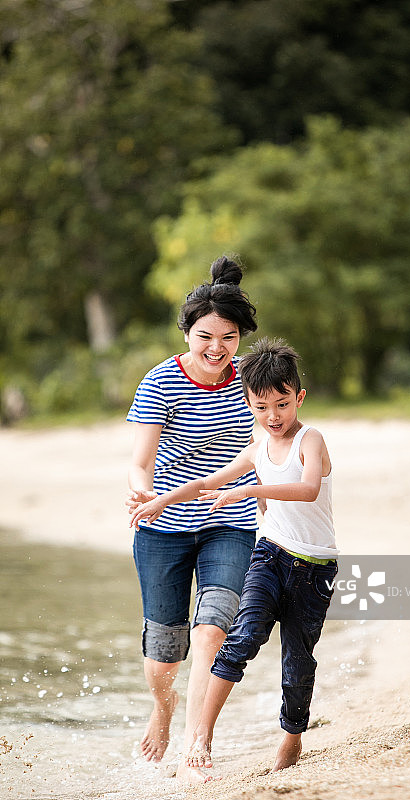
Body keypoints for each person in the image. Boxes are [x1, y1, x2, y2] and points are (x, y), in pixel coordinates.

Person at [130, 338, 338, 774]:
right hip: (270, 555)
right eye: (261, 408)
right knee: (236, 638)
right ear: (249, 404)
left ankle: (291, 736)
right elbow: (210, 481)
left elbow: (308, 489)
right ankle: (200, 737)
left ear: (299, 398)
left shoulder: (310, 440)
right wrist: (160, 501)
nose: (273, 417)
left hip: (315, 567)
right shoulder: (258, 447)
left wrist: (249, 490)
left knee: (297, 660)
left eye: (282, 405)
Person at [125, 256, 258, 783]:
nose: (217, 347)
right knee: (163, 659)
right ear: (187, 332)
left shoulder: (251, 377)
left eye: (229, 337)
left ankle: (196, 745)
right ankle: (163, 707)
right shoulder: (160, 381)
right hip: (163, 527)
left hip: (231, 522)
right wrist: (139, 495)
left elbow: (277, 427)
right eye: (206, 335)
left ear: (240, 338)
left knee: (211, 633)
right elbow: (140, 461)